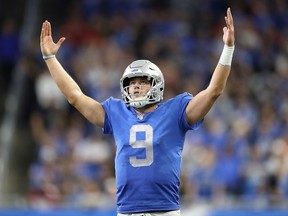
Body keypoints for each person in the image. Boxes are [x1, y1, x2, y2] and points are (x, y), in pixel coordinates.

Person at [40, 7, 235, 216]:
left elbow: (214, 91)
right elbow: (75, 96)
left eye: (143, 82)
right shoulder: (116, 112)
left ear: (157, 86)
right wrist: (50, 59)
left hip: (164, 211)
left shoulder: (176, 110)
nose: (136, 87)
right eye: (132, 83)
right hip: (127, 212)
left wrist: (228, 48)